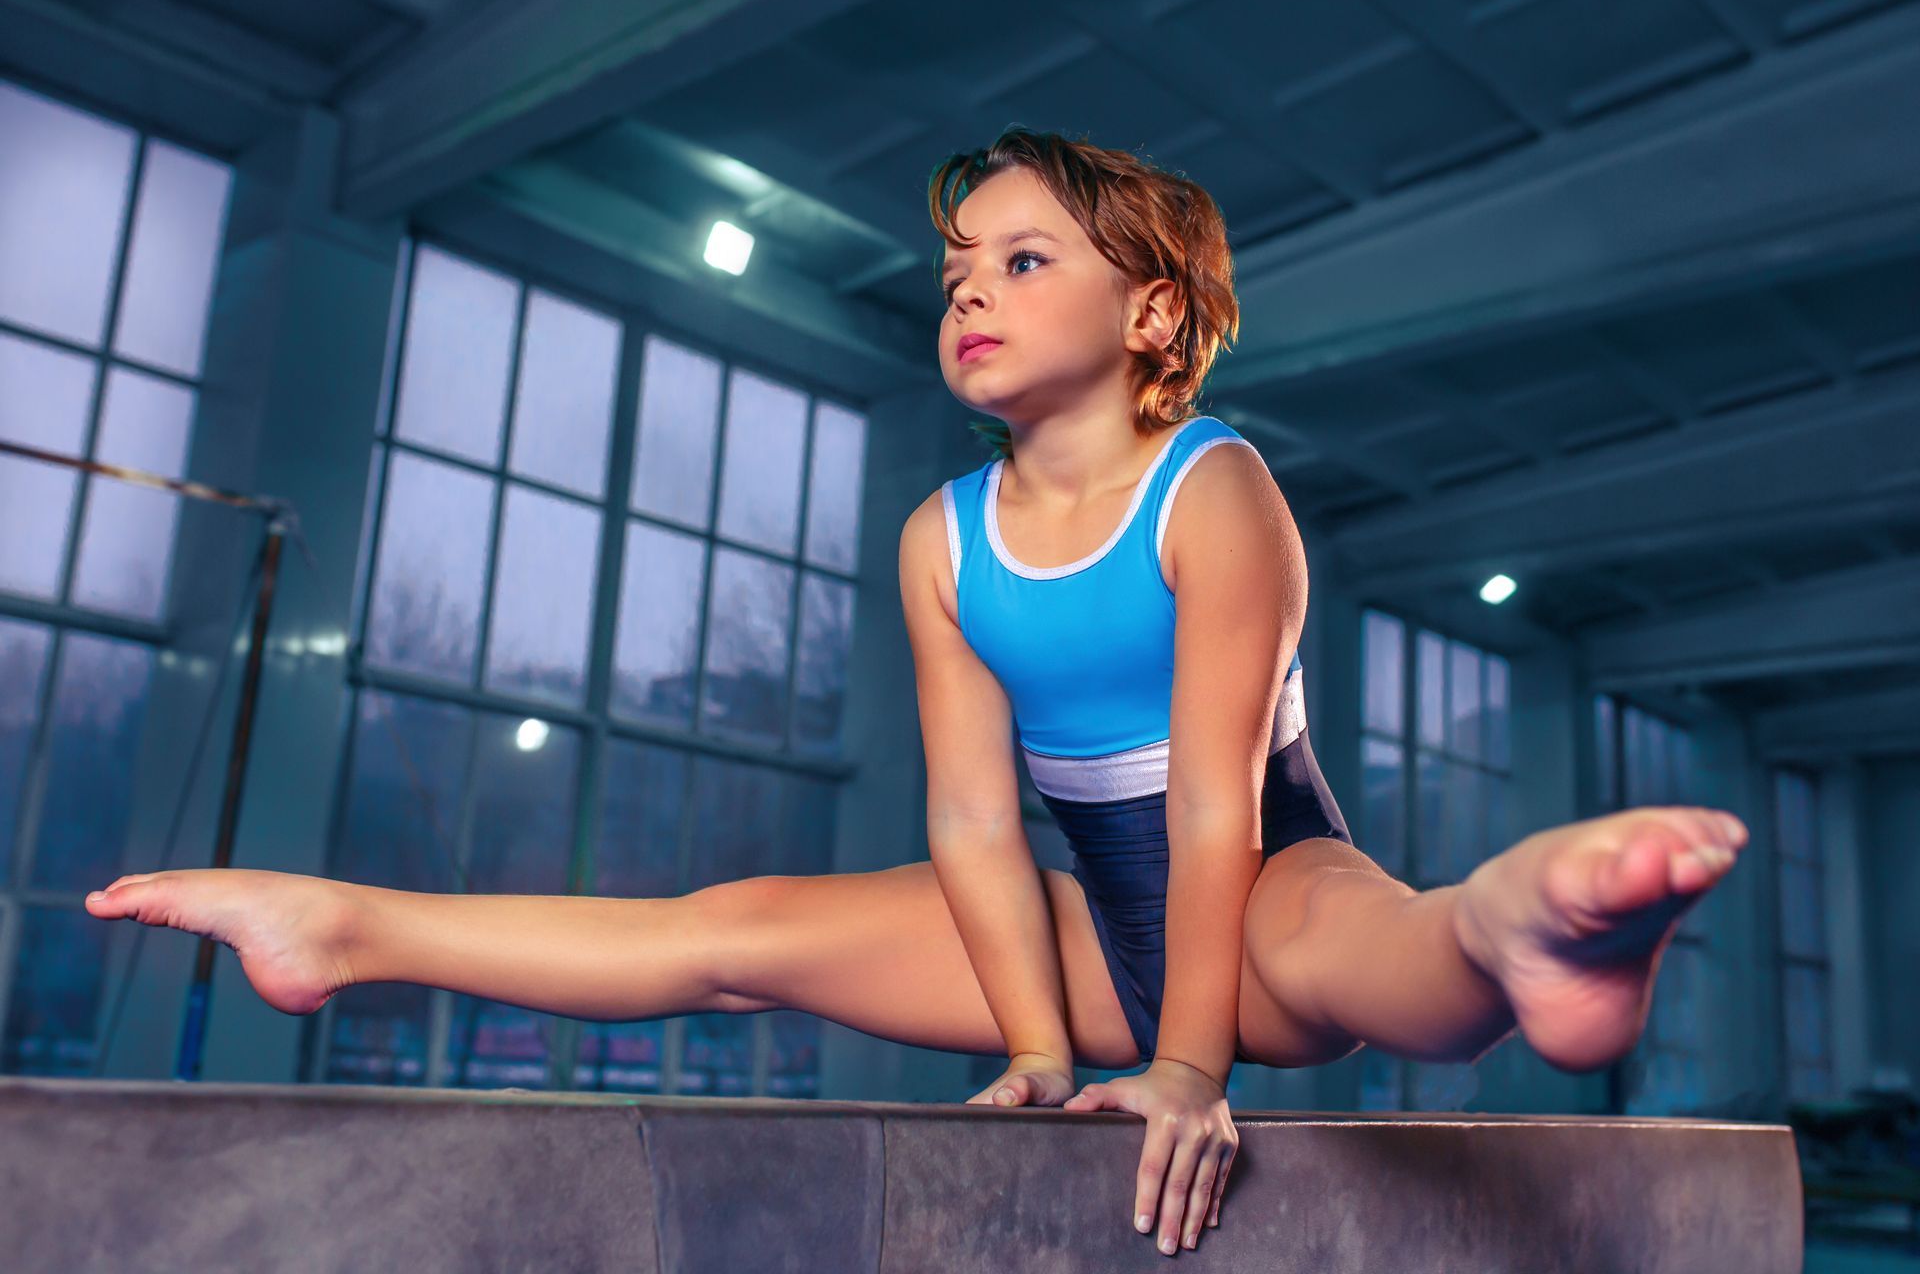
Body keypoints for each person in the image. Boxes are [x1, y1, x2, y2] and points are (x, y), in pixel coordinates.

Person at [84, 127, 1747, 1259]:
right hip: (1086, 920)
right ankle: (351, 928)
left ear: (1150, 309)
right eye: (959, 267)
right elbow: (968, 810)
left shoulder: (1215, 492)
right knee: (731, 931)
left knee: (1378, 960)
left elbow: (1214, 793)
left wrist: (1187, 1072)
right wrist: (1036, 1040)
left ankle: (1525, 930)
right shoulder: (944, 539)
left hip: (1267, 876)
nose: (970, 290)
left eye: (1026, 261)